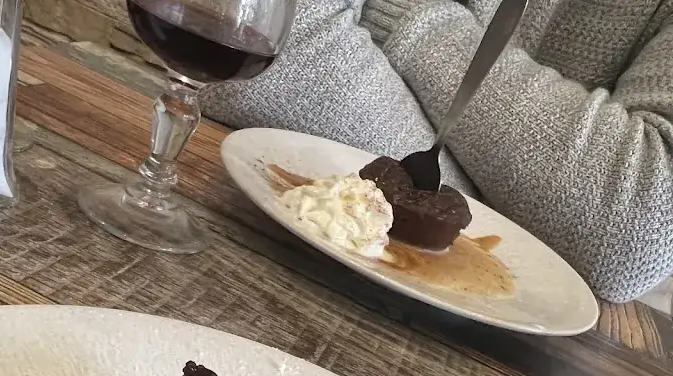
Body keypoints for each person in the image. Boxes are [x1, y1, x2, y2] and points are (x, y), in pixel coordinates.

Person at [204, 0, 673, 304]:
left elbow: (637, 237)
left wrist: (405, 13)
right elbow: (252, 37)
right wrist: (490, 206)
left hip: (502, 355)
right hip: (242, 250)